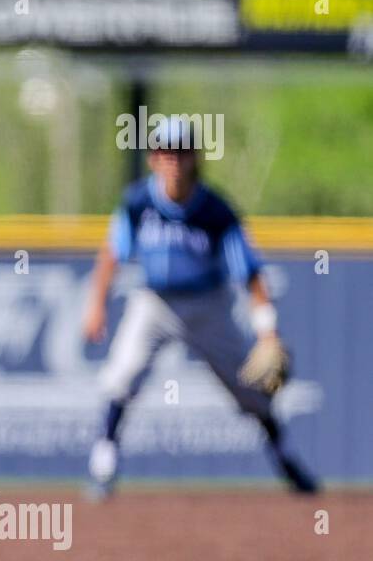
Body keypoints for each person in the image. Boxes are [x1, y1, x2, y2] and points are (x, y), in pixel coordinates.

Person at [82, 117, 319, 498]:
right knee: (121, 376)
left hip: (208, 304)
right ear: (153, 159)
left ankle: (285, 456)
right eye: (165, 152)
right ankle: (103, 462)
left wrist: (267, 329)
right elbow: (112, 253)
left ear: (195, 157)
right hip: (155, 302)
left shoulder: (215, 211)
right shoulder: (138, 202)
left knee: (253, 389)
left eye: (181, 152)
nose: (173, 160)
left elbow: (251, 274)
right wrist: (95, 306)